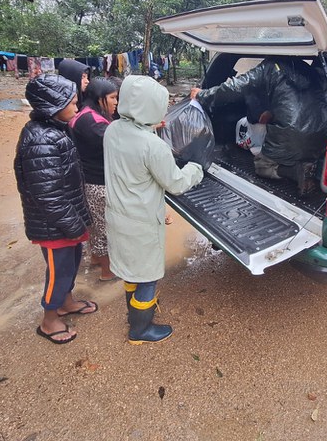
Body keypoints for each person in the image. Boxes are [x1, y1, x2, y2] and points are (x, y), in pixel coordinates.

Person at [104, 75, 203, 344]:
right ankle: (140, 330)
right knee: (147, 277)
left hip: (117, 215)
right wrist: (196, 168)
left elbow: (135, 152)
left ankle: (132, 314)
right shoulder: (153, 146)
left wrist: (150, 127)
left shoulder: (113, 130)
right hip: (142, 222)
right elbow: (176, 183)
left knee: (130, 269)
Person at [14, 75, 96, 344]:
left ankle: (66, 302)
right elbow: (46, 193)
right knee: (58, 270)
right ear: (51, 106)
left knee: (71, 264)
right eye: (71, 103)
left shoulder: (56, 130)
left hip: (66, 218)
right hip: (54, 224)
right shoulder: (41, 140)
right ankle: (49, 320)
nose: (76, 107)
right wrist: (72, 223)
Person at [190, 58, 327, 196]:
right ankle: (311, 168)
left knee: (262, 165)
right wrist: (272, 112)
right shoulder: (307, 68)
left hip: (292, 133)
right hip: (326, 133)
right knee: (300, 151)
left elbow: (234, 88)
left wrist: (202, 95)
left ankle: (297, 171)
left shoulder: (270, 67)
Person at [68, 78, 119, 281]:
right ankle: (108, 272)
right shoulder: (92, 122)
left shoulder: (87, 115)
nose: (116, 102)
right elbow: (116, 143)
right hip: (98, 182)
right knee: (104, 227)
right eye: (113, 98)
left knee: (95, 224)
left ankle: (97, 259)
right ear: (100, 99)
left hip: (89, 179)